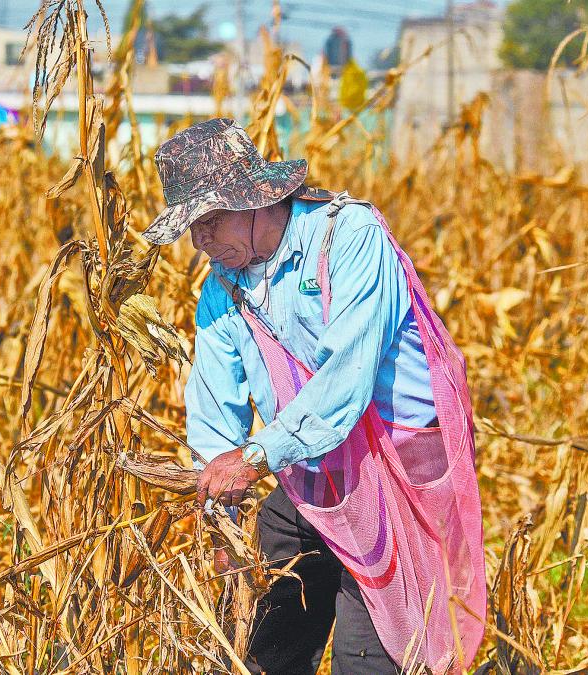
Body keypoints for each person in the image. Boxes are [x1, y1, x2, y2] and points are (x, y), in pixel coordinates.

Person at [141, 118, 482, 674]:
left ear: (253, 201)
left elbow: (346, 379)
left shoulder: (348, 237)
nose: (200, 241)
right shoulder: (222, 287)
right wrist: (221, 513)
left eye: (209, 221)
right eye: (192, 228)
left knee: (369, 651)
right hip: (316, 462)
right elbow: (214, 407)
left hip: (400, 457)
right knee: (267, 623)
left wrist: (255, 457)